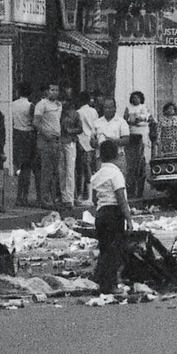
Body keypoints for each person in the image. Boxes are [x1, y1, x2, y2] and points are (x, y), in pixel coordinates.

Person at [89, 137, 132, 293]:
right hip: (114, 214)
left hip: (101, 213)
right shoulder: (116, 174)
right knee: (114, 251)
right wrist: (129, 218)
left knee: (104, 248)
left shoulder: (97, 175)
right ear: (116, 156)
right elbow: (121, 198)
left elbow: (94, 198)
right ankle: (111, 285)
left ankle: (100, 282)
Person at [32, 83, 65, 212]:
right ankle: (44, 199)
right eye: (52, 90)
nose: (54, 92)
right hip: (45, 141)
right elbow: (36, 122)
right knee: (46, 170)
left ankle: (53, 198)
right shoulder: (42, 104)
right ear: (47, 91)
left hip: (57, 140)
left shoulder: (59, 105)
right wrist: (46, 134)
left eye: (57, 90)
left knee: (55, 171)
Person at [123, 90, 153, 198]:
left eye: (138, 98)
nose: (136, 99)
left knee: (141, 162)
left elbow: (149, 118)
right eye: (134, 97)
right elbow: (125, 118)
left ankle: (140, 190)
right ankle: (131, 189)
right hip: (132, 134)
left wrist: (140, 119)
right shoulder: (128, 107)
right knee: (132, 162)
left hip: (142, 133)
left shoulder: (144, 107)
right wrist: (131, 121)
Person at [10, 83, 36, 206]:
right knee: (27, 167)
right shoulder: (30, 106)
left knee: (18, 165)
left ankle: (17, 197)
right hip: (27, 135)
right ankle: (23, 196)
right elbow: (33, 122)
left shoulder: (12, 105)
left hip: (16, 134)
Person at [69, 91, 98, 203]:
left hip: (81, 142)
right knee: (90, 168)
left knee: (81, 170)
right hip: (92, 142)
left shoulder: (78, 112)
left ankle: (81, 195)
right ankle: (89, 194)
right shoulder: (94, 111)